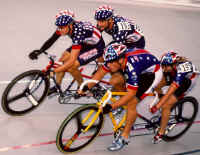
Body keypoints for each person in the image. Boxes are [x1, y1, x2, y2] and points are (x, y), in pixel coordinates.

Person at [79, 43, 163, 151]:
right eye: (107, 62)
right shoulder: (115, 59)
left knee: (131, 102)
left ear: (121, 60)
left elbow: (131, 94)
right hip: (140, 67)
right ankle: (120, 105)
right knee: (114, 80)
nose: (108, 65)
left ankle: (125, 137)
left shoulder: (132, 67)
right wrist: (86, 87)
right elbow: (100, 73)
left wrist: (112, 106)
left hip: (152, 74)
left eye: (110, 62)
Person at [29, 9, 105, 95]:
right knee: (63, 58)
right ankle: (57, 86)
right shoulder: (64, 26)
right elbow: (52, 39)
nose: (60, 30)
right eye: (59, 27)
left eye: (62, 28)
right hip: (85, 42)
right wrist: (40, 51)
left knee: (71, 66)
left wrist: (54, 71)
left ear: (70, 25)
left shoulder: (78, 33)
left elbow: (72, 60)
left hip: (96, 46)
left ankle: (83, 88)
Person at [150, 51, 199, 144]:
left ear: (173, 65)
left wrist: (158, 106)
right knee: (157, 85)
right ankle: (164, 112)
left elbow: (170, 91)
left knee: (166, 105)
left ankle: (161, 133)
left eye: (165, 66)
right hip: (175, 73)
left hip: (188, 80)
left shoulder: (180, 70)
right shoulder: (170, 67)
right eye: (162, 66)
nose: (163, 68)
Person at [93, 5, 146, 91]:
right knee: (102, 54)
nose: (99, 24)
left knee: (114, 57)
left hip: (136, 43)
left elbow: (116, 48)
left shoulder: (120, 27)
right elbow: (96, 37)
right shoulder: (103, 22)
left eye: (102, 21)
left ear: (110, 20)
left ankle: (124, 78)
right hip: (124, 39)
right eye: (98, 21)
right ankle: (112, 75)